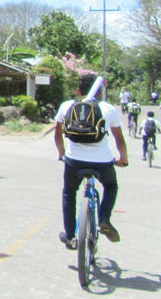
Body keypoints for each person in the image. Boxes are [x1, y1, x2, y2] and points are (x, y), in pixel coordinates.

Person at [54, 74, 129, 247]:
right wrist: (123, 159)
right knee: (111, 186)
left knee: (69, 192)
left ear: (78, 90)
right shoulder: (108, 109)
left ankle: (70, 235)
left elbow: (57, 135)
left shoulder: (67, 106)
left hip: (74, 161)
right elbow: (119, 139)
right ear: (99, 92)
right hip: (102, 162)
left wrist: (62, 154)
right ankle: (104, 218)